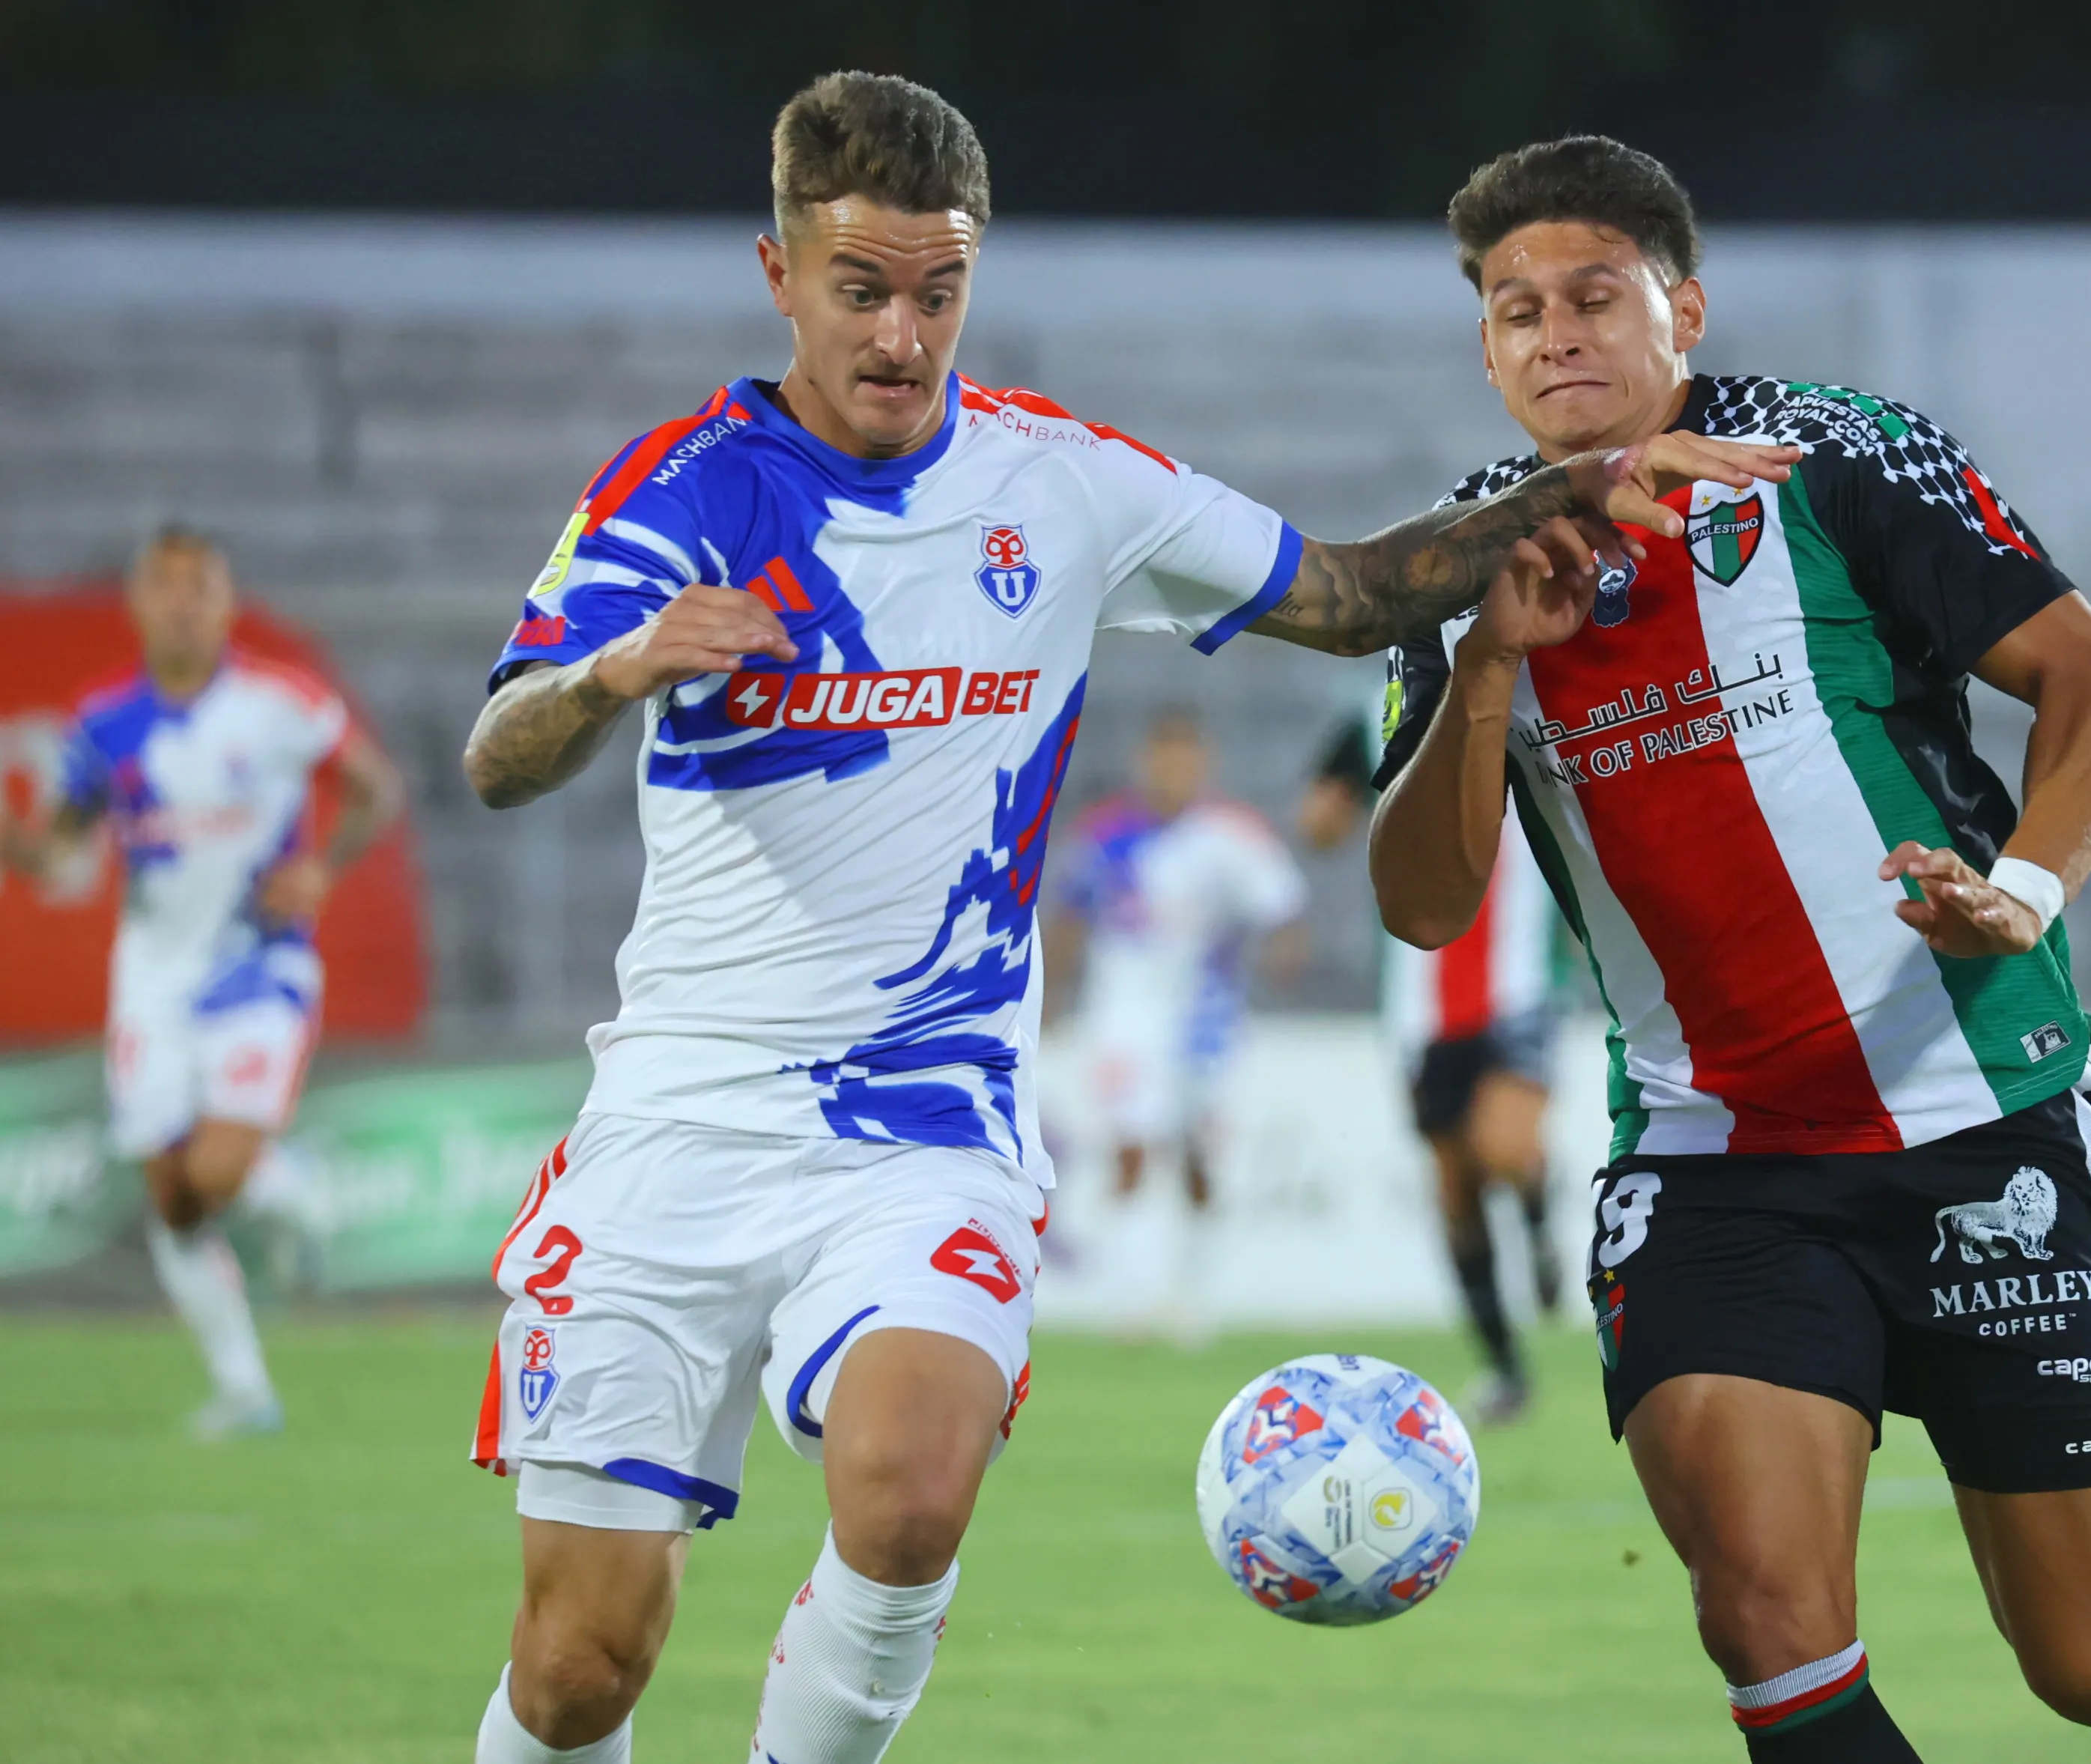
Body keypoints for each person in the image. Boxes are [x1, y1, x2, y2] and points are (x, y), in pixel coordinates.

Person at [455, 73, 1792, 1764]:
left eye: (938, 291)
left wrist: (1581, 480)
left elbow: (1353, 591)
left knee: (908, 1494)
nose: (900, 335)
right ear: (780, 274)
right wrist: (611, 671)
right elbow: (499, 754)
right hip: (677, 1126)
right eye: (860, 290)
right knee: (581, 1666)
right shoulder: (680, 490)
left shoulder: (1062, 482)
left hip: (924, 1126)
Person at [1368, 136, 2091, 1760]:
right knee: (1763, 1612)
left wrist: (2021, 888)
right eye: (1516, 311)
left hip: (1975, 1116)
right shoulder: (1464, 564)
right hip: (1712, 1158)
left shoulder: (1834, 455)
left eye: (1593, 296)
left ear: (1682, 309)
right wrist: (1487, 669)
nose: (1554, 335)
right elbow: (1422, 903)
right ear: (1485, 351)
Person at [0, 527, 403, 1437]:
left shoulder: (280, 704)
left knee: (217, 1170)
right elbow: (56, 852)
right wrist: (16, 840)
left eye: (200, 586)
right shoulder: (104, 726)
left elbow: (375, 789)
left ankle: (288, 1186)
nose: (182, 602)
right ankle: (245, 1390)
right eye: (165, 585)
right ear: (138, 603)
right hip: (150, 981)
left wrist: (322, 870)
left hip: (257, 966)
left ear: (225, 602)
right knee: (174, 1201)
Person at [1302, 712, 1561, 1422]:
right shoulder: (1374, 709)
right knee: (1456, 1190)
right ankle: (1506, 1368)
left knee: (1502, 1146)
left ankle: (1539, 1224)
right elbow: (1320, 822)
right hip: (1420, 1003)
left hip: (1517, 983)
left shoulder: (1528, 696)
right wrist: (1332, 810)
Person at [1047, 707, 1306, 1328]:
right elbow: (1068, 915)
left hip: (1205, 1015)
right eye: (1164, 758)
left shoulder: (1231, 834)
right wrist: (1051, 994)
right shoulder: (1108, 833)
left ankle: (1193, 1296)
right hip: (1125, 1012)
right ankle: (1129, 1299)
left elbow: (1283, 908)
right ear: (1145, 762)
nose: (1174, 771)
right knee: (1131, 1145)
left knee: (1198, 1154)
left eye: (1186, 759)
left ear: (1203, 764)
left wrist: (1283, 955)